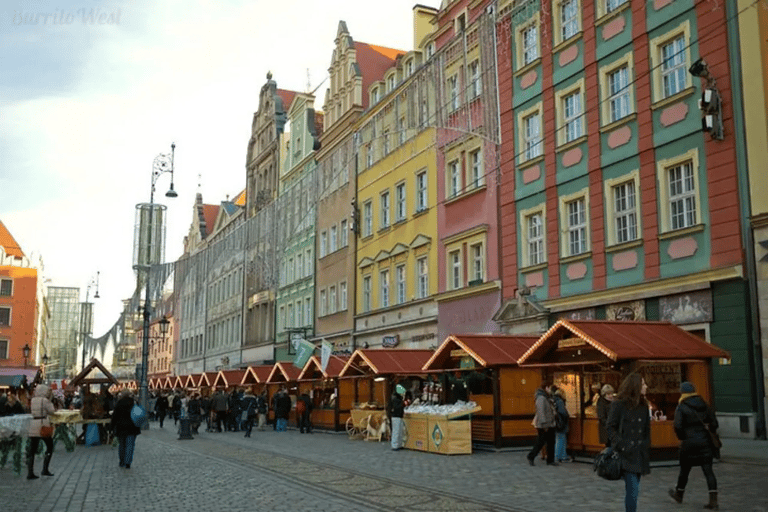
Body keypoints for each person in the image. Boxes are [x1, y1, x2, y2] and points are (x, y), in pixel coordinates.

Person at [668, 381, 720, 510]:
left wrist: (683, 437)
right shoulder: (703, 404)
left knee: (684, 470)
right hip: (704, 441)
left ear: (682, 392)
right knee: (708, 471)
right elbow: (714, 423)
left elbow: (677, 425)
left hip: (689, 443)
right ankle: (713, 500)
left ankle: (679, 494)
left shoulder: (681, 406)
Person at [607, 373, 651, 512]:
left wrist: (645, 445)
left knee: (634, 487)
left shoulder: (644, 406)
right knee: (633, 489)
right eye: (643, 384)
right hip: (626, 453)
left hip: (639, 453)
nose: (646, 387)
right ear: (635, 386)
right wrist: (621, 444)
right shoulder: (619, 404)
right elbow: (610, 426)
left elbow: (646, 429)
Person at [27, 384, 55, 480]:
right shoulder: (45, 400)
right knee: (50, 447)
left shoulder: (33, 400)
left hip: (33, 424)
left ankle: (30, 472)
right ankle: (45, 469)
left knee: (32, 449)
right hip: (43, 424)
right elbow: (52, 411)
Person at [526, 381, 556, 466]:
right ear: (546, 388)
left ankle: (550, 460)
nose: (550, 390)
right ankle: (531, 456)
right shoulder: (541, 398)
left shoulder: (546, 397)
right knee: (541, 442)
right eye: (549, 388)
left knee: (550, 442)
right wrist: (544, 423)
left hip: (550, 423)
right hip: (544, 424)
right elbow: (541, 411)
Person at [111, 389, 141, 469]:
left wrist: (111, 427)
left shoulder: (119, 403)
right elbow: (139, 414)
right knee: (130, 445)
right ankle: (128, 462)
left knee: (122, 445)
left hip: (121, 427)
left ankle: (122, 461)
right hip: (132, 427)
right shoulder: (134, 402)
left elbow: (115, 416)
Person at [552, 387, 571, 463]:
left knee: (559, 439)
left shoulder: (554, 400)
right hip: (561, 423)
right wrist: (567, 415)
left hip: (556, 423)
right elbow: (563, 412)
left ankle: (561, 455)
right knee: (561, 439)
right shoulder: (560, 401)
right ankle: (560, 456)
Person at [388, 384, 406, 451]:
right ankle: (394, 445)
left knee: (400, 431)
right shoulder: (395, 398)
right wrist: (403, 404)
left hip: (398, 415)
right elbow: (397, 407)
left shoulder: (397, 397)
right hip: (396, 416)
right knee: (396, 431)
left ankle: (399, 444)